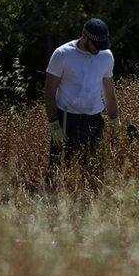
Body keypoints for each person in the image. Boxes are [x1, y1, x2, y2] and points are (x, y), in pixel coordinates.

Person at [45, 18, 120, 178]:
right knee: (57, 171)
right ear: (84, 37)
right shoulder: (62, 54)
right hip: (66, 120)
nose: (98, 50)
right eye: (95, 45)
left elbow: (109, 91)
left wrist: (115, 120)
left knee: (94, 171)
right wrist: (54, 124)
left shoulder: (106, 56)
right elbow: (50, 91)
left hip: (93, 120)